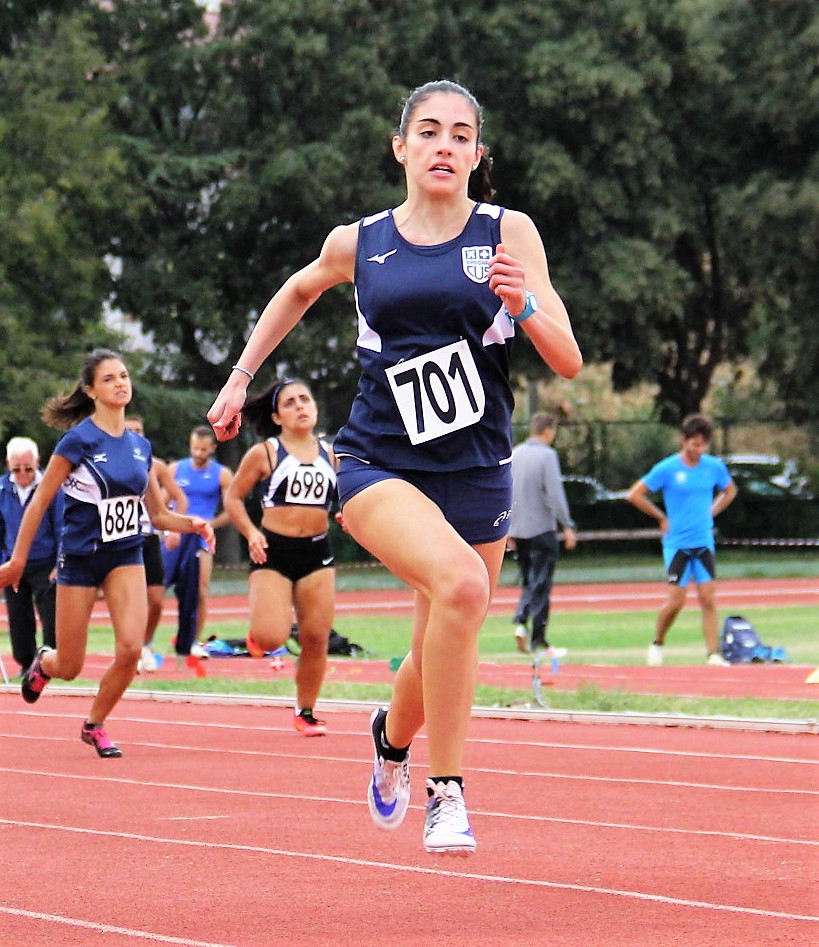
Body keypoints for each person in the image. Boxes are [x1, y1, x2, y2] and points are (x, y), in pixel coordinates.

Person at [207, 79, 581, 855]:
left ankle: (390, 736)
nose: (444, 145)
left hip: (476, 467)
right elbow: (298, 289)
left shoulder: (508, 232)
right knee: (463, 587)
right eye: (429, 131)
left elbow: (568, 359)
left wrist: (523, 306)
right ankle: (448, 791)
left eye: (460, 135)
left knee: (442, 634)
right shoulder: (363, 240)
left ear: (477, 153)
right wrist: (241, 379)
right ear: (400, 146)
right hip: (378, 460)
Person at [0, 349, 215, 758]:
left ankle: (95, 724)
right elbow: (39, 501)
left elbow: (157, 514)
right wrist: (18, 561)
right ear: (90, 390)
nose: (120, 383)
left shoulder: (140, 447)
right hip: (80, 558)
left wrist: (194, 524)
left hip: (125, 555)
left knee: (131, 650)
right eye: (109, 378)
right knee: (70, 666)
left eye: (124, 376)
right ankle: (45, 663)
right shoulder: (76, 441)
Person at [223, 378, 337, 736]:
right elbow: (233, 497)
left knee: (316, 637)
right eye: (290, 403)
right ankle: (258, 635)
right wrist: (251, 533)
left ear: (315, 407)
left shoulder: (332, 454)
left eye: (305, 399)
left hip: (317, 551)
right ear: (276, 417)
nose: (300, 406)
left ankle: (306, 712)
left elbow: (348, 498)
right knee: (272, 638)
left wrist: (346, 514)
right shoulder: (266, 453)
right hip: (273, 551)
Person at [626, 413, 737, 667]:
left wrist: (712, 511)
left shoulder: (713, 467)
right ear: (684, 440)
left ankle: (713, 654)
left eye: (703, 445)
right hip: (677, 544)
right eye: (694, 444)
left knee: (708, 598)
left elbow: (729, 490)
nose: (698, 450)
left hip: (703, 542)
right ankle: (658, 642)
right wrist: (661, 517)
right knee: (677, 601)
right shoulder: (667, 469)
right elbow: (635, 495)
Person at [123, 416, 189, 672]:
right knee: (129, 601)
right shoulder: (110, 463)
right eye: (129, 430)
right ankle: (129, 649)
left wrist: (174, 530)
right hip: (124, 539)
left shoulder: (155, 465)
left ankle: (145, 643)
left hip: (149, 537)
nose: (135, 434)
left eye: (138, 430)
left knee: (157, 600)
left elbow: (180, 498)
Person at [508, 413, 577, 655]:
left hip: (519, 530)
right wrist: (567, 524)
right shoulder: (547, 456)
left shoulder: (515, 454)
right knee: (542, 583)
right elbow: (555, 494)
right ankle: (537, 638)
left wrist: (509, 527)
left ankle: (521, 623)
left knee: (529, 581)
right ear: (548, 430)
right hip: (542, 529)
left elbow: (507, 492)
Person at [165, 425, 233, 659]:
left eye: (203, 449)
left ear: (212, 448)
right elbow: (162, 502)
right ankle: (146, 642)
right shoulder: (176, 469)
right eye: (194, 448)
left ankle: (194, 640)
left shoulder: (222, 474)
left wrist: (209, 525)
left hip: (202, 538)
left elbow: (232, 509)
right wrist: (167, 527)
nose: (198, 453)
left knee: (200, 590)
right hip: (176, 534)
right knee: (157, 587)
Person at [0, 437, 63, 675]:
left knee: (51, 614)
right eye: (17, 469)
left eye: (28, 468)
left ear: (37, 462)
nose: (23, 474)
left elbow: (62, 525)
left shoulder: (51, 486)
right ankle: (26, 664)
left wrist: (60, 562)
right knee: (18, 616)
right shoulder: (2, 489)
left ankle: (49, 663)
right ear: (8, 464)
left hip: (46, 560)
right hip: (13, 562)